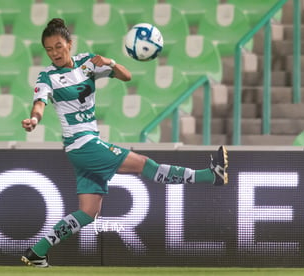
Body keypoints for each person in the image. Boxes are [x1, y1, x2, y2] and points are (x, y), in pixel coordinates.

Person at [20, 18, 228, 268]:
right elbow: (39, 104)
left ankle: (37, 252)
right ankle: (210, 176)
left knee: (88, 212)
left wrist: (110, 62)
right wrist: (34, 119)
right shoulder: (47, 77)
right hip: (82, 143)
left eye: (58, 46)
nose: (54, 53)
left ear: (70, 44)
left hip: (84, 145)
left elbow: (126, 77)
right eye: (49, 49)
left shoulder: (88, 62)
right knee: (143, 164)